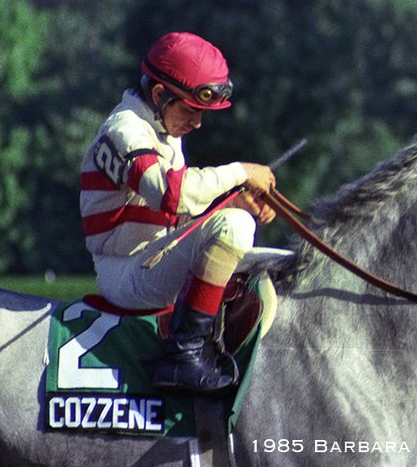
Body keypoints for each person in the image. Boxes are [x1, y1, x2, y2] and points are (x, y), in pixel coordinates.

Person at [79, 31, 276, 393]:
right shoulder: (124, 130)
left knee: (276, 259)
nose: (197, 123)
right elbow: (172, 195)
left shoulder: (163, 130)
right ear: (159, 95)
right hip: (124, 274)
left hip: (152, 258)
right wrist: (242, 173)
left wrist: (229, 202)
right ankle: (182, 358)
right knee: (234, 227)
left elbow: (174, 219)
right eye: (191, 110)